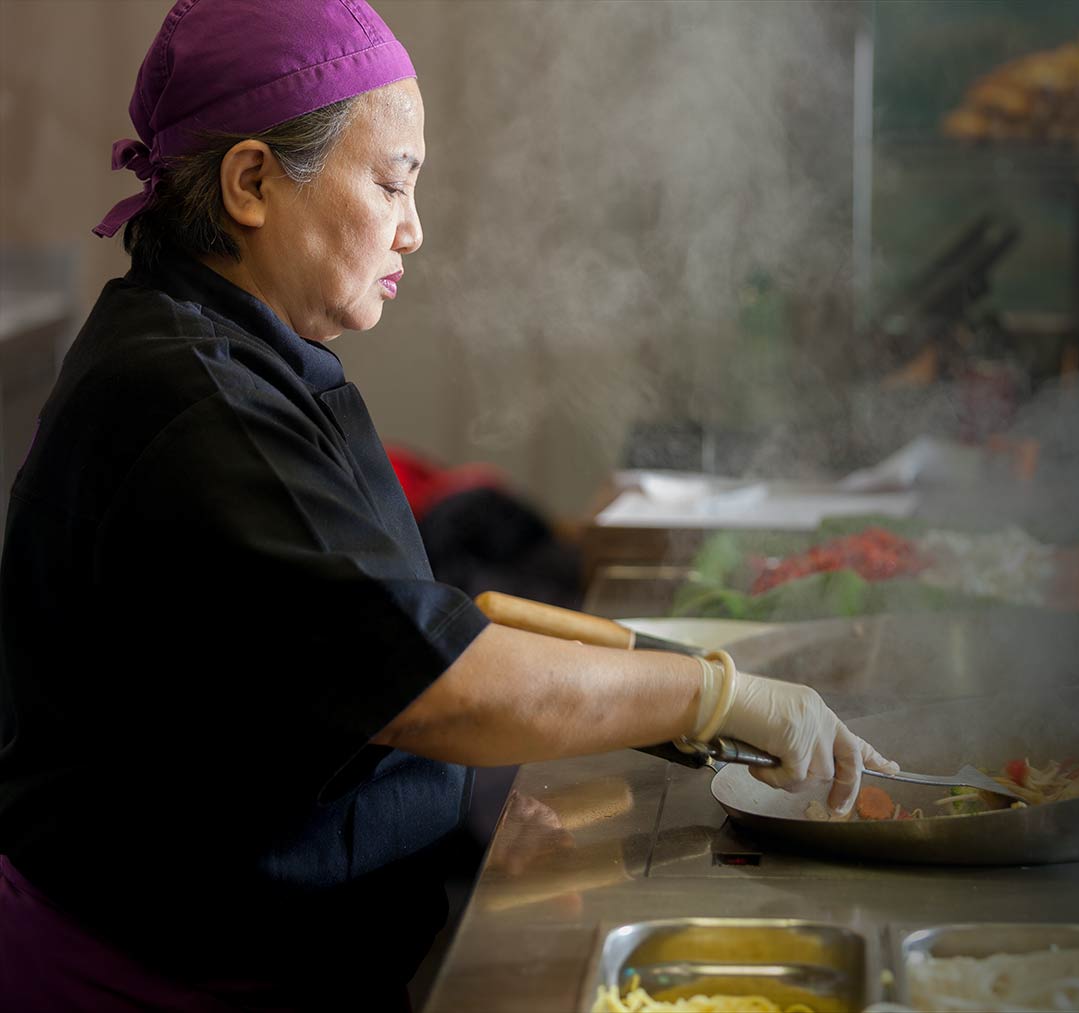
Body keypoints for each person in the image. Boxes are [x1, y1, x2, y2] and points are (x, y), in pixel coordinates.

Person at [0, 3, 894, 1009]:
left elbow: (325, 656)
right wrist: (717, 695)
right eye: (391, 182)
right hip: (159, 975)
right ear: (251, 182)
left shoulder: (233, 350)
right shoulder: (190, 396)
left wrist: (445, 806)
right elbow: (439, 682)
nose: (413, 229)